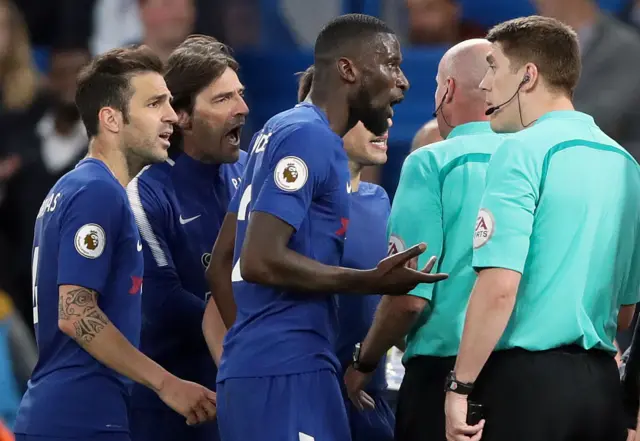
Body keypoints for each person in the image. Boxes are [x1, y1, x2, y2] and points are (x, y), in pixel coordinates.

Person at [211, 13, 448, 441]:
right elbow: (259, 260)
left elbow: (222, 262)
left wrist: (249, 350)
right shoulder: (309, 136)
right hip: (286, 370)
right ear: (348, 69)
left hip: (279, 366)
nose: (403, 81)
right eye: (391, 65)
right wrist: (369, 280)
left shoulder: (277, 130)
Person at [444, 16, 640, 441]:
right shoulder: (628, 165)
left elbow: (499, 287)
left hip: (528, 390)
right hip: (602, 392)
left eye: (494, 66)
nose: (484, 84)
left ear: (528, 76)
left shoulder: (519, 152)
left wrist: (459, 387)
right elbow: (626, 310)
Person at [13, 45, 217, 441]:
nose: (172, 116)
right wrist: (165, 383)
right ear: (111, 118)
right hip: (79, 420)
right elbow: (75, 312)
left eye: (171, 103)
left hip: (68, 415)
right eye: (155, 103)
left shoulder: (75, 188)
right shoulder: (97, 192)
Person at [342, 38, 505, 441]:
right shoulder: (539, 159)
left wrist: (364, 363)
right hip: (531, 379)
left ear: (447, 90)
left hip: (444, 373)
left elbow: (409, 296)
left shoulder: (432, 161)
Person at [126, 35, 247, 441]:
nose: (242, 109)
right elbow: (160, 301)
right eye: (222, 99)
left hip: (239, 397)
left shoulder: (253, 175)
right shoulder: (146, 192)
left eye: (240, 95)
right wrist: (250, 334)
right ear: (183, 117)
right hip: (168, 412)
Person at [295, 65, 396, 441]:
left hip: (370, 401)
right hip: (309, 402)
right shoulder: (289, 210)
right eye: (369, 114)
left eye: (386, 111)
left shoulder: (380, 201)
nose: (384, 124)